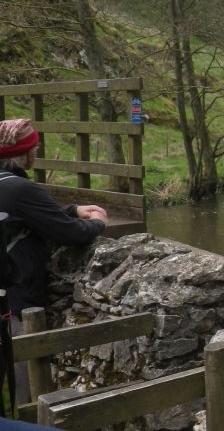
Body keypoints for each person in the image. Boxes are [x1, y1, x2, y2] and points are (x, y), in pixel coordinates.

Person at [0, 118, 108, 405]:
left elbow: (21, 216)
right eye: (35, 146)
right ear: (27, 153)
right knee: (24, 378)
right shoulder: (20, 189)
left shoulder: (7, 186)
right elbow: (71, 234)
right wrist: (97, 222)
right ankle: (28, 415)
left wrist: (71, 209)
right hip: (16, 298)